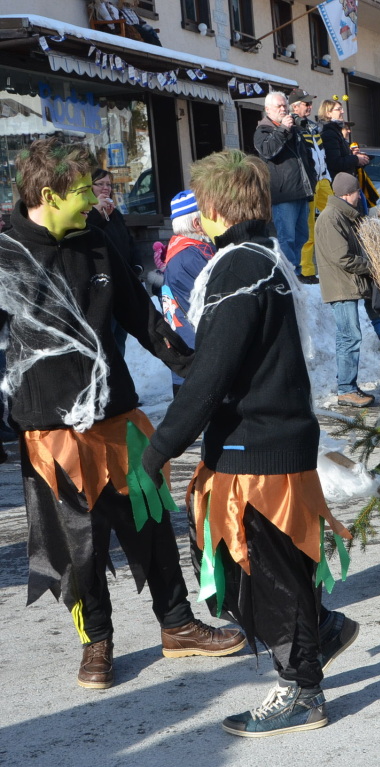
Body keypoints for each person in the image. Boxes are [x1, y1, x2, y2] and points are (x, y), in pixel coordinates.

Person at [0, 138, 244, 691]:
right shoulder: (5, 254)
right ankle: (97, 643)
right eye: (85, 192)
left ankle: (178, 625)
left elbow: (143, 318)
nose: (96, 201)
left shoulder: (100, 242)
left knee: (152, 523)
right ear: (48, 194)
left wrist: (202, 368)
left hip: (117, 417)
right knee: (76, 547)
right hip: (50, 428)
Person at [142, 149, 358, 737]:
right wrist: (174, 350)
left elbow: (214, 377)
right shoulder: (258, 258)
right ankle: (322, 631)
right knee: (273, 569)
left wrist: (159, 449)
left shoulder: (237, 268)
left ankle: (302, 692)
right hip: (267, 438)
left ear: (212, 207)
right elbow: (228, 361)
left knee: (266, 575)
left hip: (258, 447)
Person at [315, 172, 374, 408]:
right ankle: (346, 389)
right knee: (349, 336)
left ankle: (349, 386)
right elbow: (342, 257)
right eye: (357, 192)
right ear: (348, 194)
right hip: (341, 286)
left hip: (345, 284)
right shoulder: (331, 218)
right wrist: (372, 267)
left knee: (349, 336)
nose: (360, 197)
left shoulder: (340, 216)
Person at [254, 91, 315, 276]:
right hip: (283, 195)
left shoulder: (294, 129)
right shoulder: (262, 131)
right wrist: (282, 129)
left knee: (302, 235)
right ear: (267, 109)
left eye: (284, 105)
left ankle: (296, 272)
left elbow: (306, 158)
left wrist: (311, 183)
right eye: (278, 106)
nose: (283, 109)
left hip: (301, 192)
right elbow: (267, 151)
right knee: (286, 238)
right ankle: (290, 275)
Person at [161, 190, 215, 395]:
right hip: (197, 355)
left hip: (189, 354)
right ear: (196, 224)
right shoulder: (192, 256)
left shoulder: (185, 250)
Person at [289, 90, 327, 285]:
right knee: (309, 228)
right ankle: (306, 270)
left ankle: (334, 260)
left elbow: (320, 154)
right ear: (295, 106)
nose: (310, 106)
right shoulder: (293, 126)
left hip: (323, 180)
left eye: (310, 103)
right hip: (310, 183)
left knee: (338, 214)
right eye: (306, 104)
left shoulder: (312, 126)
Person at [319, 100, 369, 187]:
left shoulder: (336, 131)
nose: (342, 111)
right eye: (338, 109)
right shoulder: (329, 133)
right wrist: (356, 159)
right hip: (339, 185)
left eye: (342, 109)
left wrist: (353, 154)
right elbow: (334, 162)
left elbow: (341, 156)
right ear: (328, 113)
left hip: (345, 182)